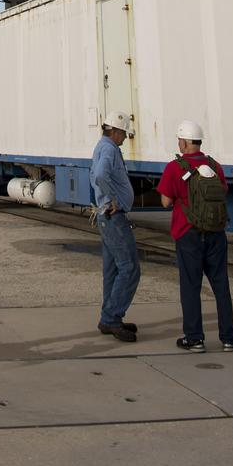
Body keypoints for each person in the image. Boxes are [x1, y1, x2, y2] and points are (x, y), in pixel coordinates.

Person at [157, 119, 233, 353]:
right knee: (221, 285)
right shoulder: (215, 165)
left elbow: (165, 201)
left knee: (191, 287)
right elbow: (222, 191)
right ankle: (229, 338)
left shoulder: (175, 167)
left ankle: (195, 339)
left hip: (188, 233)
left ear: (183, 141)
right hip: (216, 233)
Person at [90, 111, 140, 342]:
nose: (124, 139)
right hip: (113, 216)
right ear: (115, 131)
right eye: (123, 134)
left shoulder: (103, 146)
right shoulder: (109, 148)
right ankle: (111, 317)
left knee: (111, 269)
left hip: (105, 217)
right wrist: (114, 200)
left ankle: (109, 316)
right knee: (129, 268)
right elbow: (101, 175)